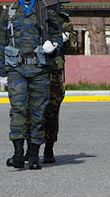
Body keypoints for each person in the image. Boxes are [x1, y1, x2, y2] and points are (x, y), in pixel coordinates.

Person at [0, 0, 62, 170]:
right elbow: (2, 42)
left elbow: (59, 36)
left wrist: (53, 45)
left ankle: (34, 155)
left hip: (40, 69)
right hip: (16, 68)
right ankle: (18, 154)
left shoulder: (47, 12)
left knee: (38, 113)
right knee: (18, 110)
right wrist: (1, 71)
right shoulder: (9, 12)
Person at [42, 12, 71, 164]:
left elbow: (72, 44)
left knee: (52, 111)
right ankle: (29, 148)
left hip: (54, 71)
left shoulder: (61, 18)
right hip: (33, 69)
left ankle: (49, 147)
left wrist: (64, 37)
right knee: (29, 111)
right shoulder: (28, 14)